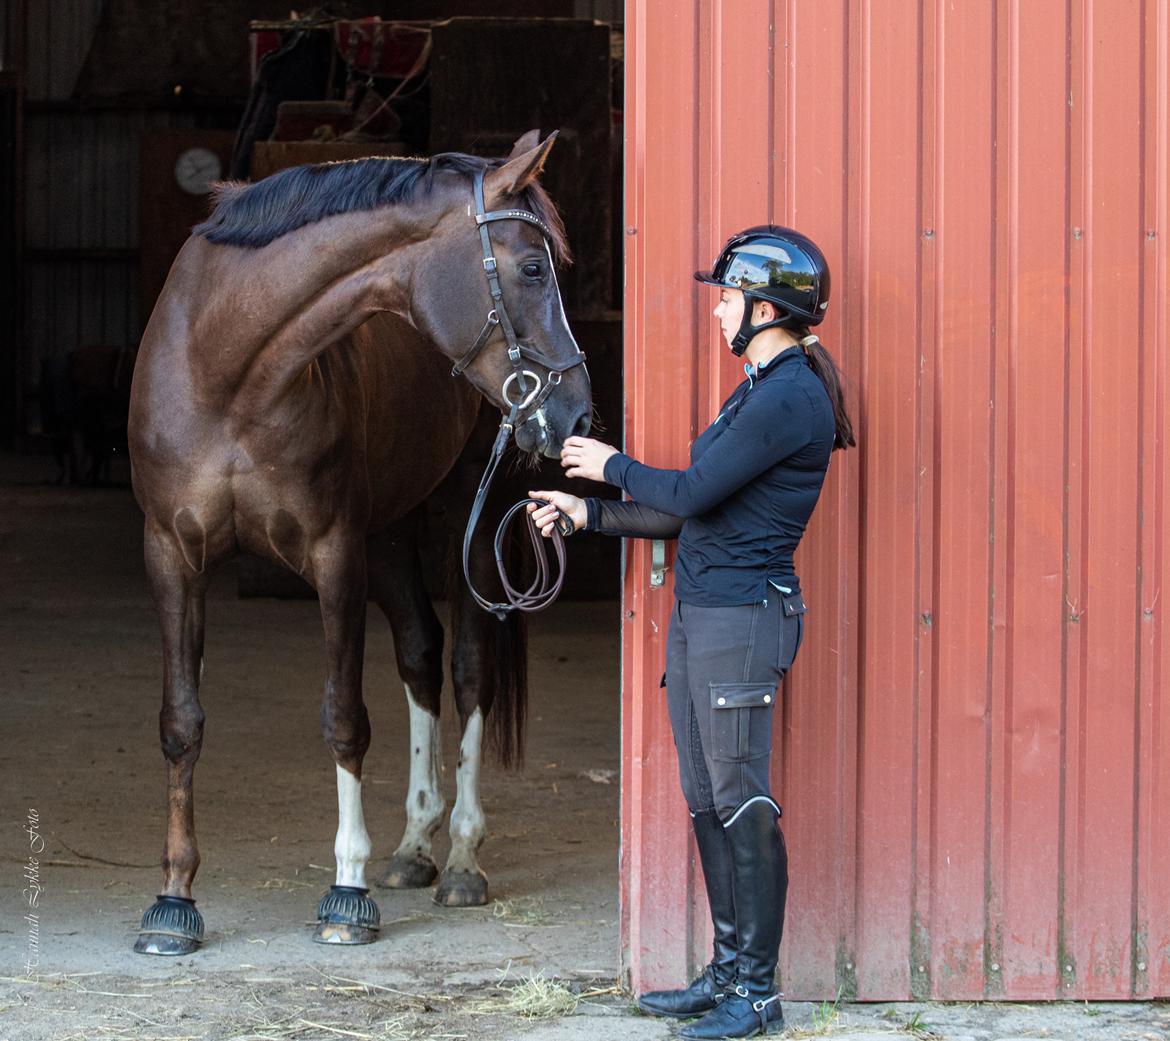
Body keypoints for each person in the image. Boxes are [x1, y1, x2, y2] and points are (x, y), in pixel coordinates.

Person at [528, 226, 855, 1039]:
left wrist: (610, 467)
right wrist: (589, 513)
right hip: (709, 613)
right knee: (707, 796)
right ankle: (728, 969)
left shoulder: (788, 396)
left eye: (729, 297)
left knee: (742, 801)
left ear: (768, 307)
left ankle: (759, 993)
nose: (719, 312)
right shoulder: (759, 387)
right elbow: (695, 505)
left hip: (743, 617)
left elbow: (691, 486)